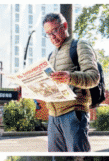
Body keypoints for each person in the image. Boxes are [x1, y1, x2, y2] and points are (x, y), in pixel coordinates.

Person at [42, 13, 101, 152]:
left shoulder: (80, 45)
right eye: (48, 34)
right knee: (56, 159)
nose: (52, 37)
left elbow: (94, 77)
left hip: (73, 113)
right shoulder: (51, 56)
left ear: (64, 26)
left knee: (78, 157)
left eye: (55, 31)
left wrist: (70, 77)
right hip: (53, 116)